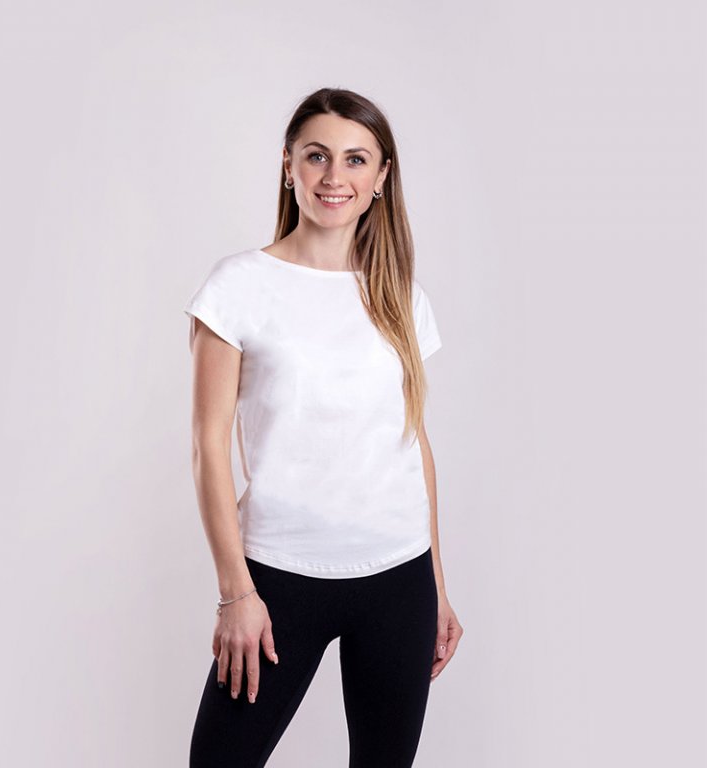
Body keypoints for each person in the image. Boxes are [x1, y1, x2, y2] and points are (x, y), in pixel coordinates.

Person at [183, 87, 463, 767]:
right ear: (289, 166)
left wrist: (436, 585)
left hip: (398, 577)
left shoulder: (401, 296)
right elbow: (207, 449)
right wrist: (235, 593)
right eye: (317, 156)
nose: (335, 176)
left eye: (356, 159)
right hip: (278, 578)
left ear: (381, 176)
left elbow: (413, 443)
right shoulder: (238, 286)